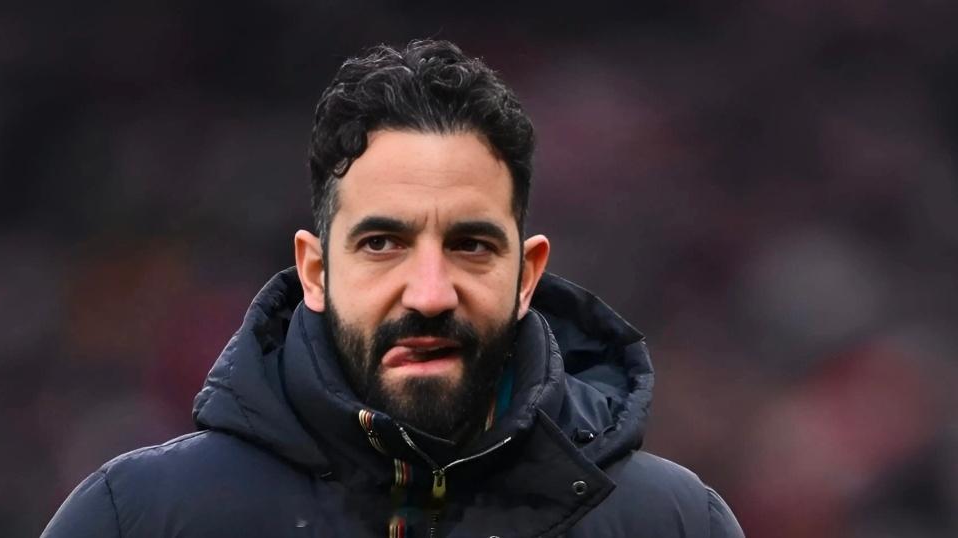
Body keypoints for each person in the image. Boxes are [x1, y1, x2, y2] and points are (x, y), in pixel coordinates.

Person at [42, 39, 743, 538]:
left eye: (470, 245)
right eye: (382, 244)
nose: (429, 294)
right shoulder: (138, 519)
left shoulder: (674, 523)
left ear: (527, 276)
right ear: (315, 271)